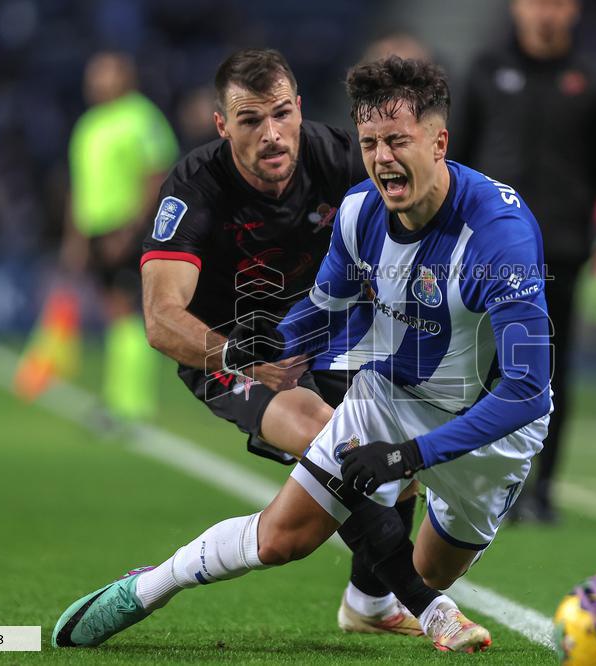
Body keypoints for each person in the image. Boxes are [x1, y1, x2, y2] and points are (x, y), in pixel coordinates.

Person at [51, 55, 550, 654]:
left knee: (419, 550)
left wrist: (408, 457)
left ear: (439, 142)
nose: (382, 158)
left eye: (397, 141)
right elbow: (307, 308)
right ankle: (151, 587)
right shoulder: (348, 207)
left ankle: (371, 604)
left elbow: (527, 390)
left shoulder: (500, 235)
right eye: (371, 143)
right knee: (295, 520)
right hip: (325, 373)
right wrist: (264, 351)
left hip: (487, 429)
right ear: (221, 125)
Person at [89, 48, 429, 639]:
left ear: (299, 109)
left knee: (379, 467)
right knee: (334, 438)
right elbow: (161, 319)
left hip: (323, 332)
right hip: (224, 348)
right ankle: (424, 601)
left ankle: (368, 604)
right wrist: (235, 354)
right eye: (250, 121)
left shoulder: (339, 157)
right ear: (223, 126)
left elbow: (419, 213)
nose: (271, 135)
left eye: (280, 114)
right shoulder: (196, 186)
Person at [452, 0, 596, 522]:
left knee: (551, 372)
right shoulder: (486, 71)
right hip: (488, 250)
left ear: (573, 10)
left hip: (561, 250)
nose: (545, 14)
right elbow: (458, 159)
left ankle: (542, 492)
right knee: (481, 365)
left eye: (556, 3)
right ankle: (482, 483)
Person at [58, 51, 180, 420]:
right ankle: (117, 397)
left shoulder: (140, 117)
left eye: (105, 75)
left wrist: (132, 228)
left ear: (125, 77)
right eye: (93, 75)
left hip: (127, 228)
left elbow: (157, 173)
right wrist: (75, 236)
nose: (96, 82)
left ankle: (132, 403)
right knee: (115, 310)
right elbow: (80, 186)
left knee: (128, 309)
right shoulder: (89, 124)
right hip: (96, 230)